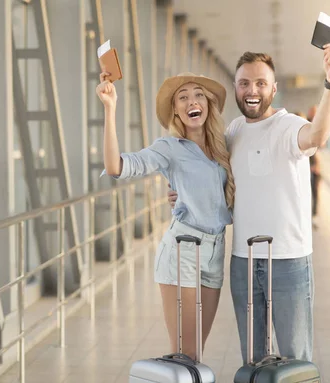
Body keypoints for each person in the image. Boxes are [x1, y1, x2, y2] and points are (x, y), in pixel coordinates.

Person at [169, 44, 330, 363]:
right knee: (253, 358)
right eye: (245, 83)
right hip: (244, 262)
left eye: (261, 83)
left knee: (295, 359)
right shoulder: (234, 131)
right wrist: (184, 193)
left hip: (288, 261)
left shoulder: (287, 125)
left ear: (273, 89)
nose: (253, 90)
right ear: (236, 88)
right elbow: (220, 184)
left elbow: (317, 136)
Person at [96, 71, 235, 360]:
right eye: (182, 98)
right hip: (182, 249)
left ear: (207, 103)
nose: (191, 101)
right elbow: (117, 166)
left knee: (196, 350)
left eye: (198, 94)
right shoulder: (168, 148)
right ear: (175, 110)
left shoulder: (222, 146)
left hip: (215, 251)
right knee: (184, 353)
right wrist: (110, 109)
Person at [307, 105, 321, 226]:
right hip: (308, 166)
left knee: (315, 191)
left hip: (314, 167)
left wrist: (317, 165)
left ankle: (314, 215)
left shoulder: (319, 127)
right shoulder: (307, 127)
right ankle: (309, 215)